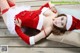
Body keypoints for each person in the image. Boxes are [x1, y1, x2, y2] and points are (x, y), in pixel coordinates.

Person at [0, 0, 72, 45]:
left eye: (62, 24)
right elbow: (45, 6)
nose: (58, 21)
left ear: (61, 28)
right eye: (62, 18)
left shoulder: (48, 29)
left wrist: (17, 27)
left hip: (13, 21)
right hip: (20, 11)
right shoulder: (54, 13)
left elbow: (30, 41)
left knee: (2, 1)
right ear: (62, 15)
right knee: (9, 1)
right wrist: (52, 5)